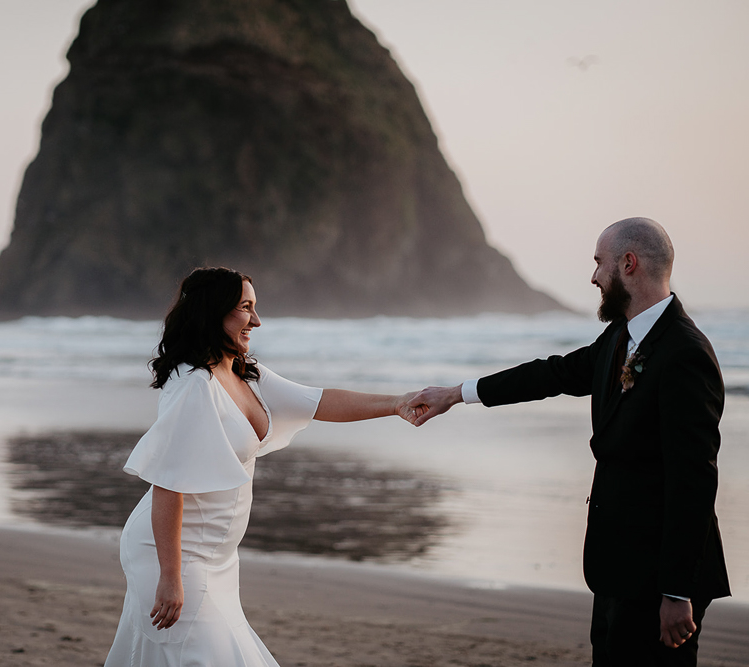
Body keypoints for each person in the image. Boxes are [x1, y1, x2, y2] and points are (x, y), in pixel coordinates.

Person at [408, 217, 729, 666]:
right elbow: (553, 373)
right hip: (618, 565)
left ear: (629, 263)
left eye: (600, 263)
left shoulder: (685, 354)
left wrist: (676, 591)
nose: (594, 276)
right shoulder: (622, 336)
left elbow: (693, 480)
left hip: (659, 576)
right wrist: (456, 395)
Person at [104, 267, 423, 667]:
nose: (256, 320)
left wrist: (396, 404)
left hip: (217, 558)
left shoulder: (242, 371)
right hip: (172, 555)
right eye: (245, 308)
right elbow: (168, 485)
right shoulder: (193, 385)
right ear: (213, 312)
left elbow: (318, 402)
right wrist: (170, 577)